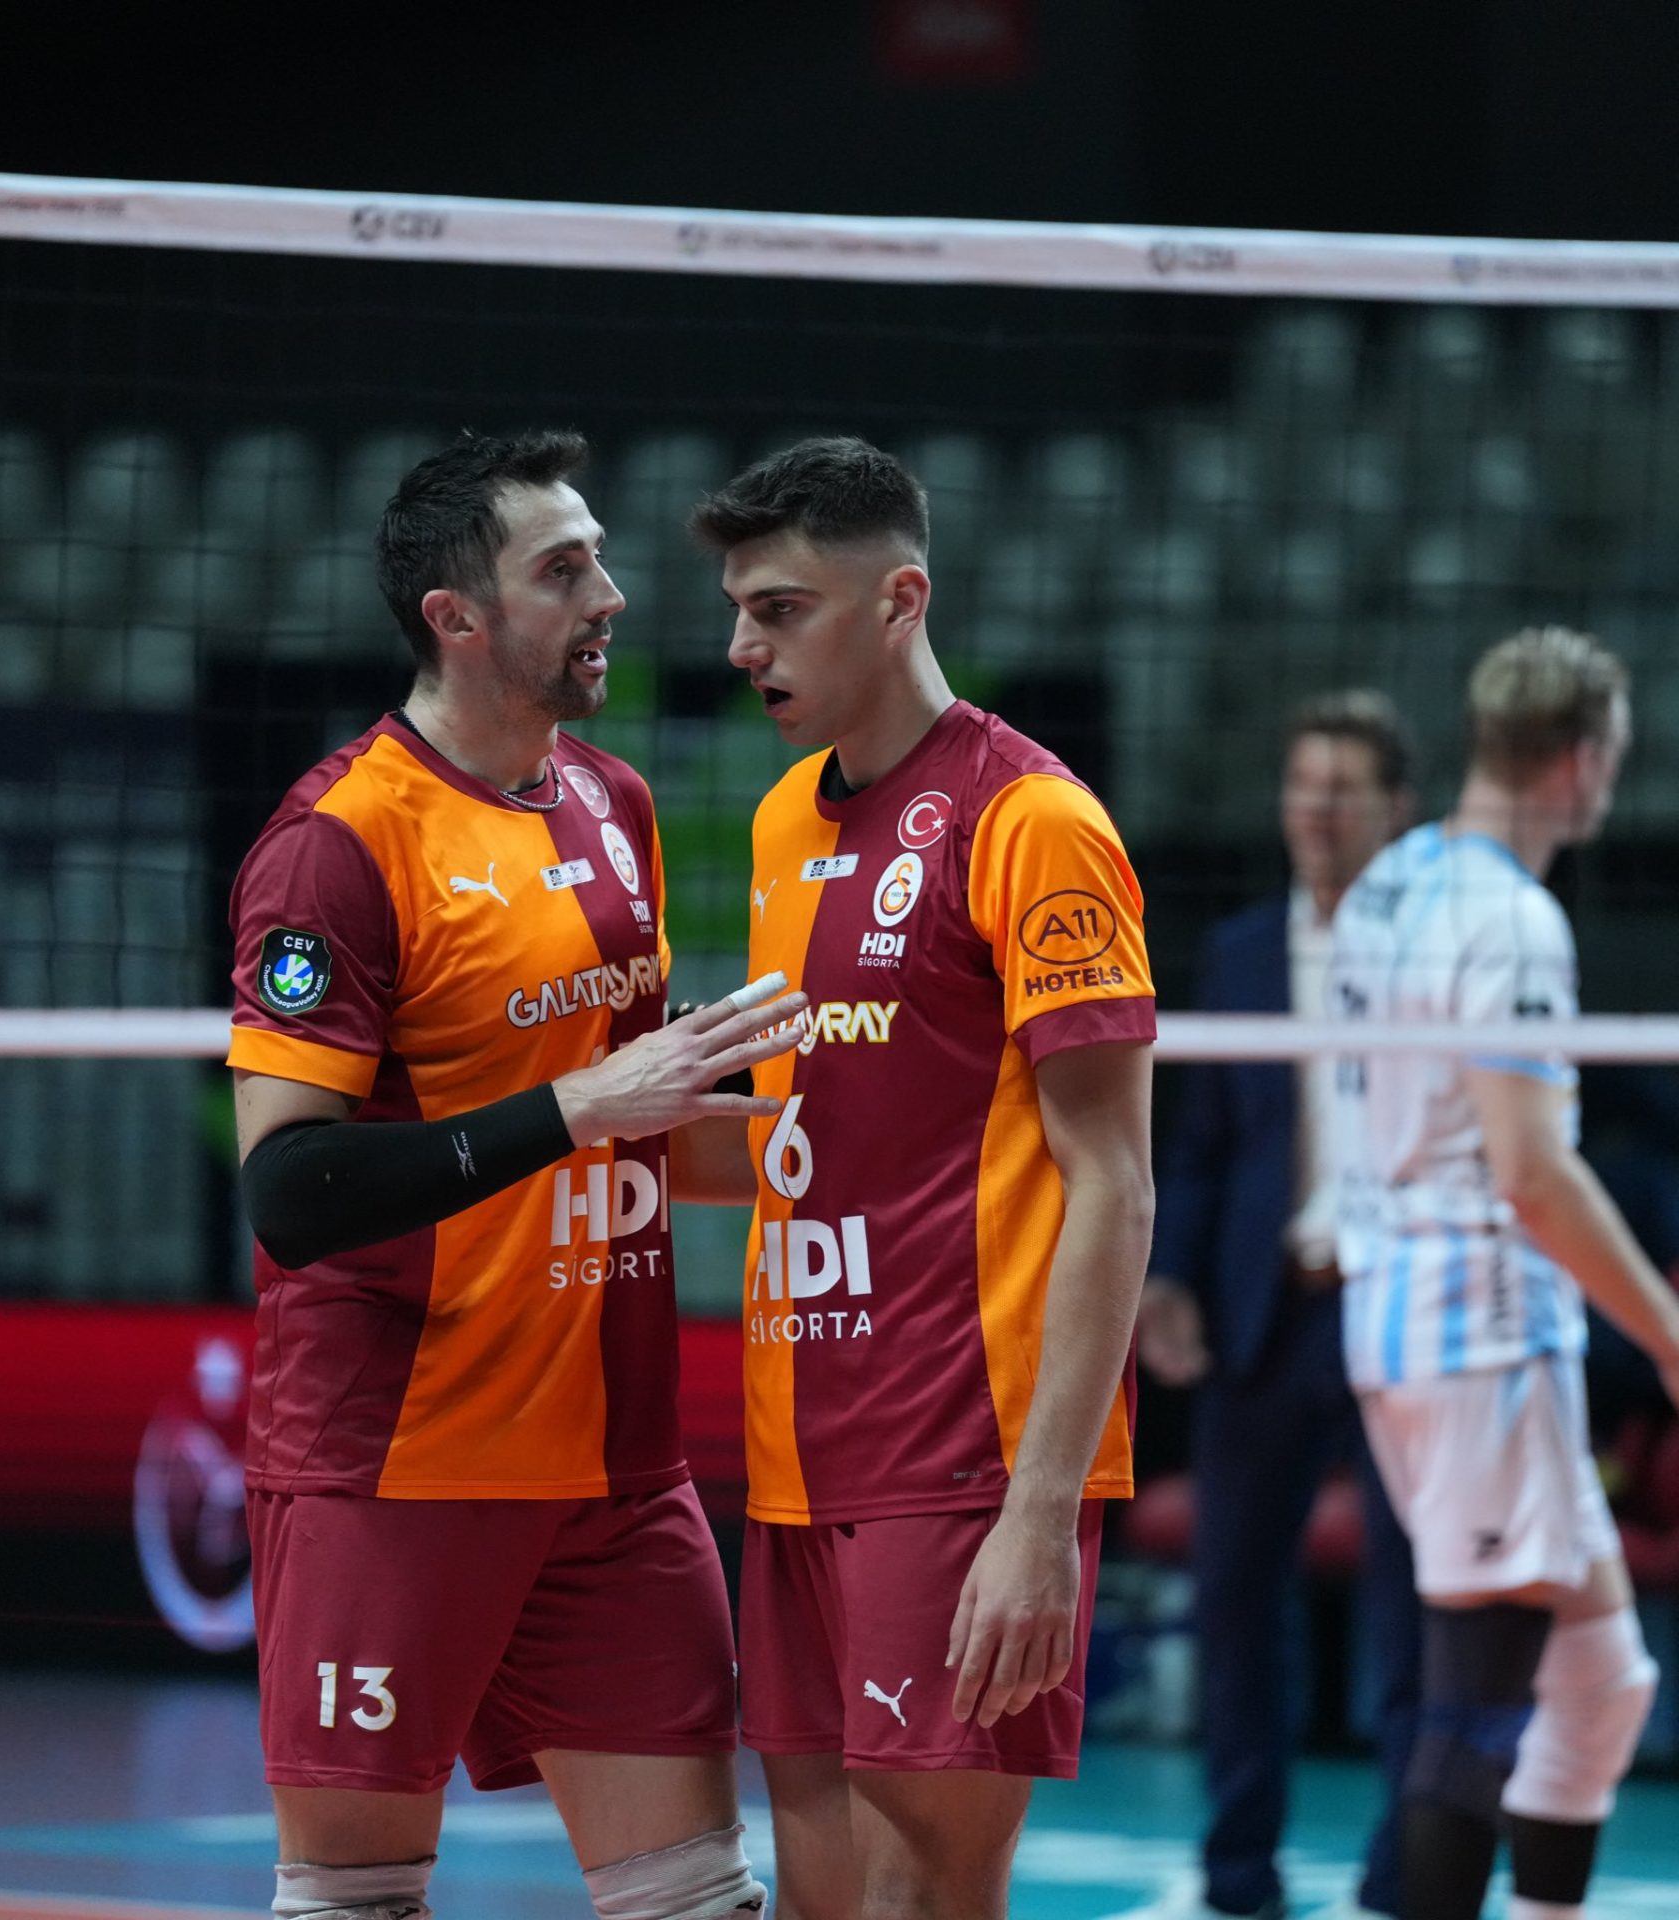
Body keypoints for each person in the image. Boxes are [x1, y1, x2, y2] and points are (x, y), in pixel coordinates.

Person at [225, 429, 803, 1920]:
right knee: (355, 1904)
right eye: (565, 571)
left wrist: (901, 1157)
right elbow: (290, 1191)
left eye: (599, 559)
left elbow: (637, 1132)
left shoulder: (611, 802)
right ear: (457, 616)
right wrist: (573, 1107)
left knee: (700, 1902)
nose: (612, 595)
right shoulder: (338, 843)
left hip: (614, 1470)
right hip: (397, 1465)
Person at [683, 436, 1157, 1920]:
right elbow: (807, 1143)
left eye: (780, 609)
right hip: (797, 1453)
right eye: (738, 610)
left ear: (901, 600)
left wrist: (1040, 1512)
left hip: (963, 1459)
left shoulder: (1035, 823)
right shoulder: (782, 820)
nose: (743, 646)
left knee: (922, 1894)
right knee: (822, 1897)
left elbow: (1114, 1183)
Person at [1329, 627, 1679, 1920]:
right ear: (1581, 761)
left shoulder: (1389, 881)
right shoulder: (1516, 921)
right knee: (1474, 1715)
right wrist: (1671, 1333)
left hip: (1402, 1321)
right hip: (1479, 1341)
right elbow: (1532, 1174)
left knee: (1602, 1686)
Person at [1137, 691, 1424, 1920]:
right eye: (1304, 786)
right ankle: (1238, 1872)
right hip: (1270, 1312)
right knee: (1237, 1599)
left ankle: (1409, 1876)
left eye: (1343, 790)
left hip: (1400, 1310)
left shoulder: (1440, 950)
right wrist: (1168, 1276)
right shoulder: (1245, 950)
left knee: (1415, 1606)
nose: (1317, 810)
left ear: (1396, 810)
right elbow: (1202, 1143)